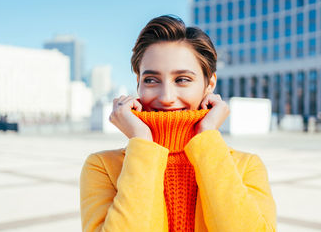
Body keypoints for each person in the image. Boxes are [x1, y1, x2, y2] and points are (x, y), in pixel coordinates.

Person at [80, 15, 277, 232]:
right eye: (151, 80)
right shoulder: (102, 167)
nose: (166, 97)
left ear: (209, 83)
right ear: (138, 85)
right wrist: (142, 143)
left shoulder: (246, 166)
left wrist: (207, 138)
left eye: (182, 79)